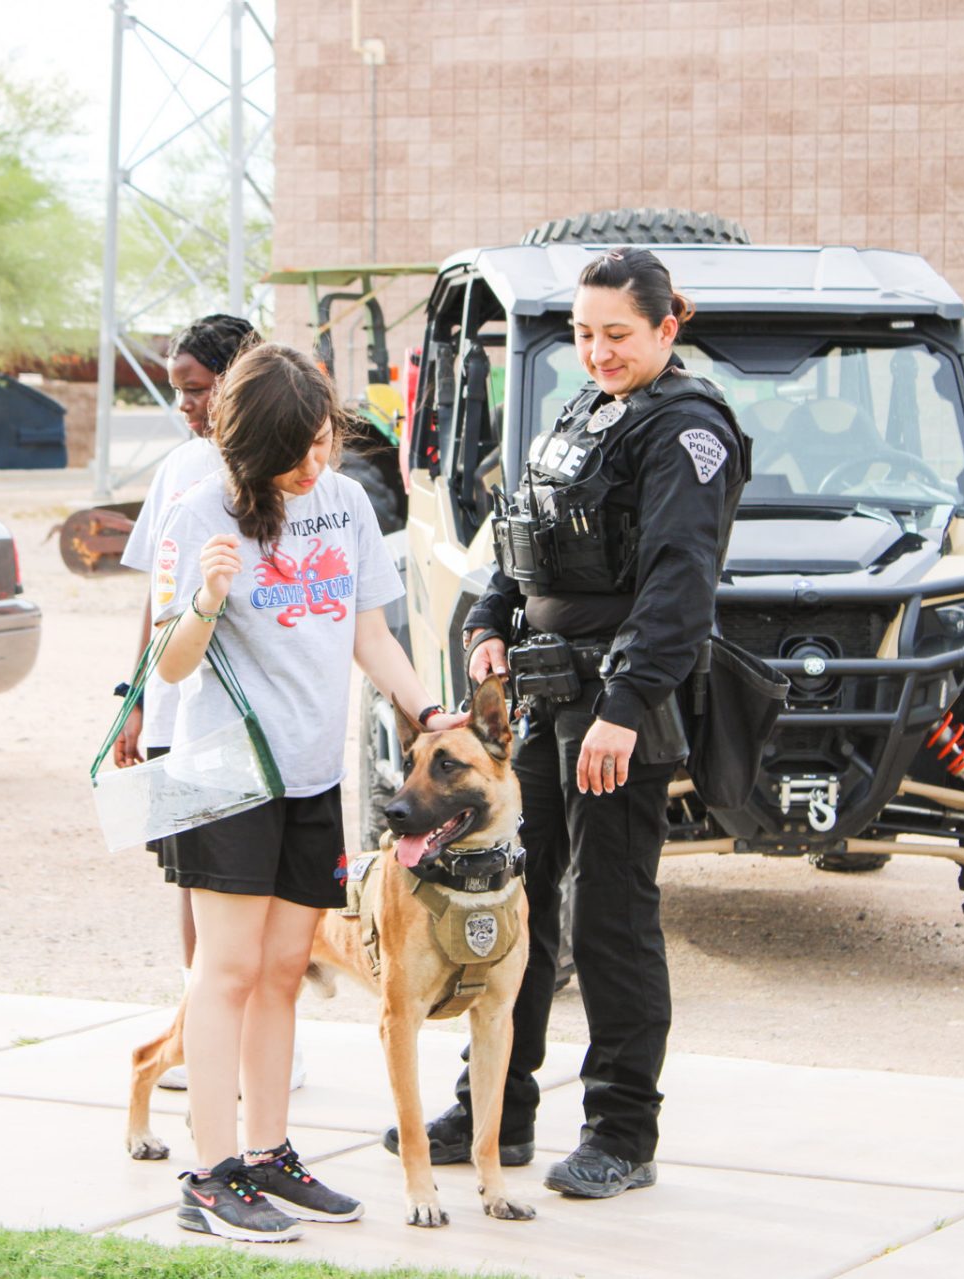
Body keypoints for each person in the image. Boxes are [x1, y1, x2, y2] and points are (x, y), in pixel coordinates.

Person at [391, 247, 750, 1198]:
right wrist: (485, 623)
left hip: (615, 709)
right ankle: (497, 1113)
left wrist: (625, 709)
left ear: (669, 326)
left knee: (611, 916)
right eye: (584, 334)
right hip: (541, 700)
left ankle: (622, 1133)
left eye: (617, 335)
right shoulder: (587, 410)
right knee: (513, 902)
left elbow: (680, 583)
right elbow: (526, 523)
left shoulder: (687, 431)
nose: (596, 351)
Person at [149, 342, 466, 1242]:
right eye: (293, 454)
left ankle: (266, 1153)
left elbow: (369, 631)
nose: (313, 464)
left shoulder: (346, 501)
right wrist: (207, 597)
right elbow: (167, 664)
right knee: (231, 968)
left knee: (287, 968)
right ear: (245, 448)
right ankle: (207, 1176)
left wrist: (429, 709)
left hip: (308, 772)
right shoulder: (200, 509)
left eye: (321, 441)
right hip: (221, 774)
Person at [113, 314, 299, 1091]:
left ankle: (262, 1053)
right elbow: (157, 600)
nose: (186, 404)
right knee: (196, 886)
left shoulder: (290, 468)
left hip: (247, 716)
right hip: (173, 706)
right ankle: (200, 1038)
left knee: (258, 900)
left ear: (239, 378)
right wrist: (132, 697)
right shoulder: (179, 470)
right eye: (179, 389)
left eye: (197, 388)